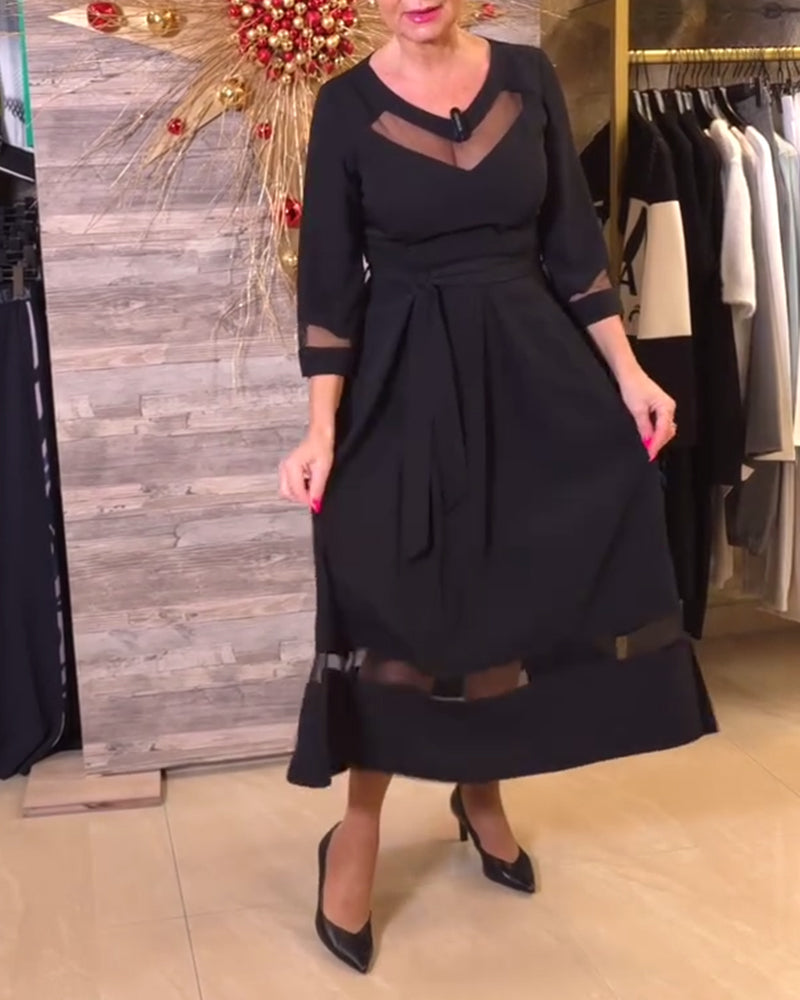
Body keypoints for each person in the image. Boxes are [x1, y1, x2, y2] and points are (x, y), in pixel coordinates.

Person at [278, 1, 717, 975]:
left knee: (509, 581)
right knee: (397, 606)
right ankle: (357, 826)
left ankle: (479, 789)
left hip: (527, 365)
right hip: (401, 379)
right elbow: (328, 286)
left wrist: (628, 375)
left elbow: (573, 247)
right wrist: (319, 428)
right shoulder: (345, 105)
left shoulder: (526, 77)